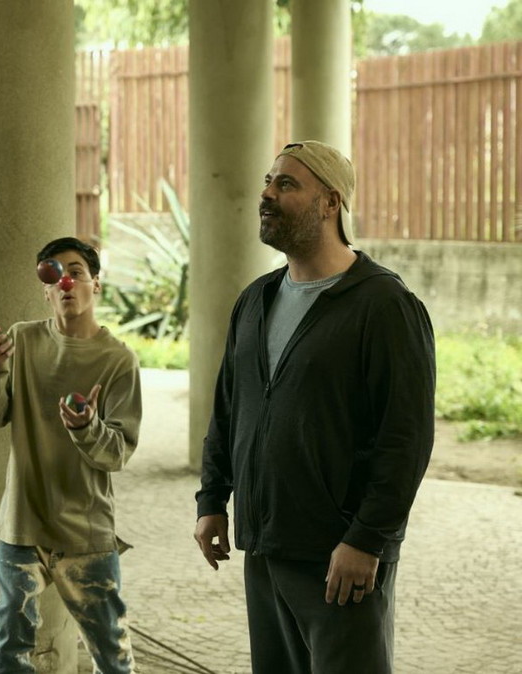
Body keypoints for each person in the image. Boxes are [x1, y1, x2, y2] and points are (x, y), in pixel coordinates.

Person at [193, 140, 436, 673]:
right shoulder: (255, 300)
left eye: (286, 184)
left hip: (339, 558)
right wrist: (212, 498)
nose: (267, 194)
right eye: (268, 181)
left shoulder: (385, 305)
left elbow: (406, 439)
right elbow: (229, 409)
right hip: (265, 549)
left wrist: (366, 540)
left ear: (330, 202)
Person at [0, 237, 142, 673]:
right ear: (46, 289)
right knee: (6, 651)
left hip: (86, 530)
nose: (65, 281)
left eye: (76, 272)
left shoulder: (119, 360)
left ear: (95, 284)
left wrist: (86, 428)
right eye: (54, 273)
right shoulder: (21, 340)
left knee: (112, 657)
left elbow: (117, 454)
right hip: (21, 526)